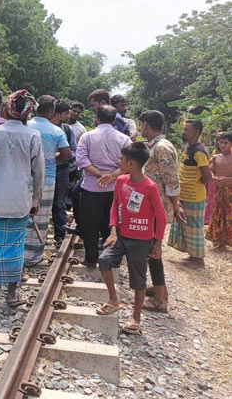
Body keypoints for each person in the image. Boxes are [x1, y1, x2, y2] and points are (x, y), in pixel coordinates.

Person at [0, 89, 44, 306]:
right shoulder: (33, 136)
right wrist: (35, 200)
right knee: (15, 246)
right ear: (26, 114)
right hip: (20, 201)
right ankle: (12, 295)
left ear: (7, 109)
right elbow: (39, 172)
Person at [96, 142, 166, 335]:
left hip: (141, 240)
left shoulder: (149, 187)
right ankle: (113, 299)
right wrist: (113, 231)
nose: (119, 161)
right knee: (104, 260)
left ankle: (136, 316)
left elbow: (161, 217)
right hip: (121, 237)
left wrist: (157, 243)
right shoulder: (121, 181)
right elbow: (115, 206)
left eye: (121, 159)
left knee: (138, 279)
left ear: (132, 163)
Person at [139, 110, 185, 312]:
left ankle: (159, 300)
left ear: (146, 125)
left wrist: (176, 206)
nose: (140, 128)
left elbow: (171, 180)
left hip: (157, 207)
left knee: (153, 251)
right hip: (152, 205)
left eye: (141, 125)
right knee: (151, 250)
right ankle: (160, 289)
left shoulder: (162, 148)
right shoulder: (155, 146)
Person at [76, 105, 131, 267]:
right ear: (114, 120)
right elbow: (128, 165)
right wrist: (111, 176)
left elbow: (82, 161)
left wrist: (100, 175)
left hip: (91, 189)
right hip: (115, 189)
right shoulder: (124, 139)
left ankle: (91, 259)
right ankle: (111, 260)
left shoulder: (87, 137)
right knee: (112, 224)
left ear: (97, 118)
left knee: (90, 225)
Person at [25, 96, 71, 266]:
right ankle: (34, 256)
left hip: (25, 178)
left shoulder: (25, 126)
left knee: (24, 215)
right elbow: (67, 155)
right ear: (51, 111)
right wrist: (51, 156)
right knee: (42, 217)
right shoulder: (57, 131)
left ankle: (20, 254)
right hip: (48, 178)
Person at [168, 119, 212, 268]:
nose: (183, 132)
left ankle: (199, 260)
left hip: (194, 196)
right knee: (188, 226)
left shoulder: (199, 151)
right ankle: (193, 256)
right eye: (184, 129)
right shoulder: (189, 147)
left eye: (187, 130)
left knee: (195, 227)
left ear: (196, 132)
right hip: (185, 194)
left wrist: (194, 183)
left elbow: (207, 176)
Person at [50, 100, 76, 245]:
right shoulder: (45, 128)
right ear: (57, 114)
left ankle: (59, 236)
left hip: (62, 170)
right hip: (46, 170)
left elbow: (73, 151)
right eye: (66, 113)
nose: (69, 115)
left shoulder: (67, 129)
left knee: (59, 204)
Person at [205, 131, 232, 248]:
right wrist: (216, 178)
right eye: (221, 142)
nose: (222, 145)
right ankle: (219, 239)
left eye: (225, 143)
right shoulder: (215, 158)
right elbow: (210, 173)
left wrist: (226, 179)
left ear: (231, 144)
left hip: (231, 191)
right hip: (219, 191)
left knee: (231, 215)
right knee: (218, 213)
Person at [204, 132, 225, 224]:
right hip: (212, 178)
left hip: (222, 179)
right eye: (216, 140)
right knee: (210, 198)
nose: (217, 142)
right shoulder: (215, 152)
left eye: (220, 140)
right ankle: (209, 218)